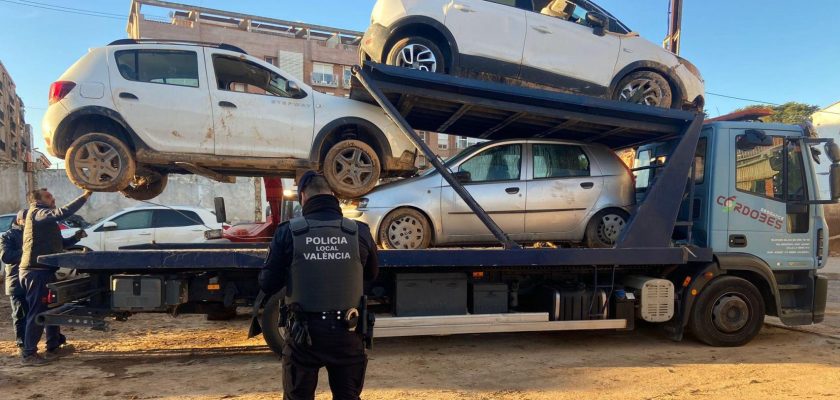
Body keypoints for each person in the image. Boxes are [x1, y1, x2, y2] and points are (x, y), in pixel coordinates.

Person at [260, 171, 379, 400]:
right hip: (348, 331)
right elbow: (372, 275)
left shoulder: (288, 232)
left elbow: (267, 283)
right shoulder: (358, 231)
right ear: (333, 194)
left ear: (303, 196)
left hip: (304, 337)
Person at [19, 188, 90, 366]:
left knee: (50, 309)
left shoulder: (44, 220)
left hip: (43, 271)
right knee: (37, 312)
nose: (53, 198)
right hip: (36, 272)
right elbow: (62, 212)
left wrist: (76, 237)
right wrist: (85, 195)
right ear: (37, 201)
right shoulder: (38, 213)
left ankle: (53, 347)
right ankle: (29, 354)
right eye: (49, 196)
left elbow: (61, 244)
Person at [1, 209, 28, 355]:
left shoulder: (31, 234)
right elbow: (6, 256)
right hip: (16, 282)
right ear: (19, 220)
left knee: (32, 314)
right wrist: (26, 251)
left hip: (31, 281)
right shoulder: (8, 236)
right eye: (26, 219)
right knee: (20, 314)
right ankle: (22, 346)